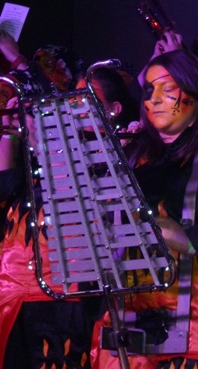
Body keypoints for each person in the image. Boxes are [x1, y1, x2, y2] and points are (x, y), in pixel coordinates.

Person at [91, 49, 198, 369]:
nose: (154, 98)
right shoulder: (133, 154)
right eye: (148, 90)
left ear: (194, 93)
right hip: (132, 332)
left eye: (168, 89)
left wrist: (189, 239)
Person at [0, 63, 138, 368]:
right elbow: (5, 187)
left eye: (85, 97)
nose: (73, 103)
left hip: (64, 301)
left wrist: (41, 140)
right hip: (14, 297)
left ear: (113, 109)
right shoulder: (44, 154)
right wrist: (11, 130)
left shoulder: (115, 153)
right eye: (72, 95)